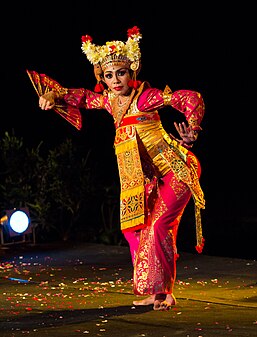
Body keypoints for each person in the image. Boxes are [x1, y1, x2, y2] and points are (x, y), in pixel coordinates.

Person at [27, 26, 206, 311]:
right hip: (146, 180)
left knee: (159, 226)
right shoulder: (111, 102)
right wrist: (53, 96)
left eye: (120, 73)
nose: (115, 81)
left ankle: (165, 292)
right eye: (108, 75)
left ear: (131, 71)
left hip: (176, 170)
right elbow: (84, 98)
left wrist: (192, 129)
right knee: (133, 231)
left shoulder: (145, 98)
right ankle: (151, 289)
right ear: (102, 77)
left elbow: (190, 98)